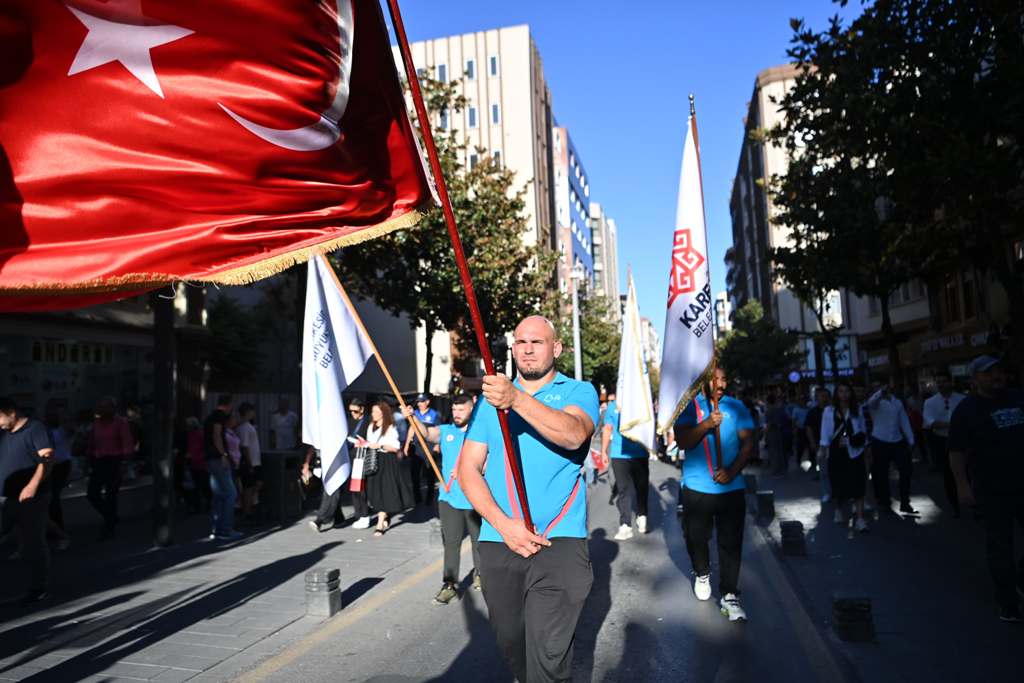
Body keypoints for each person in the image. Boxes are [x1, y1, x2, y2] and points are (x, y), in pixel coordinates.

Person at [458, 315, 599, 683]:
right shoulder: (490, 403)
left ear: (557, 348)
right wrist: (504, 525)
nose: (528, 349)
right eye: (521, 342)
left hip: (560, 541)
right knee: (512, 644)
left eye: (537, 342)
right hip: (499, 540)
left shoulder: (578, 391)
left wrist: (516, 399)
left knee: (549, 655)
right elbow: (468, 469)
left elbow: (572, 435)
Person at [674, 367, 755, 622]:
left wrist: (732, 471)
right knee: (696, 537)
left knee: (731, 542)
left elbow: (748, 442)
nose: (720, 383)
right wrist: (707, 424)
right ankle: (702, 572)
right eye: (715, 378)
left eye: (724, 378)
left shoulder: (736, 407)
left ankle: (730, 593)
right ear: (704, 381)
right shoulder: (690, 407)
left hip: (731, 487)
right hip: (698, 488)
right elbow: (683, 440)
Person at [948, 355, 1024, 623]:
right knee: (1000, 547)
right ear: (975, 378)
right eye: (989, 373)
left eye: (999, 371)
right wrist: (962, 486)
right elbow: (956, 452)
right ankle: (1008, 603)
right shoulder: (966, 410)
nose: (997, 376)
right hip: (992, 489)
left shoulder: (1017, 398)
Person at [404, 394, 482, 604]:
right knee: (451, 543)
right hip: (449, 498)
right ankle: (449, 584)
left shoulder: (480, 434)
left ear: (471, 409)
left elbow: (491, 461)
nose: (456, 414)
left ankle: (481, 574)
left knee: (478, 541)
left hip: (476, 498)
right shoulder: (447, 431)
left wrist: (472, 470)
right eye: (454, 410)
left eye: (461, 410)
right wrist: (413, 418)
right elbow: (427, 433)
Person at [0, 396, 54, 603]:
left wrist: (32, 485)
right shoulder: (3, 434)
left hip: (32, 498)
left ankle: (38, 587)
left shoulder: (35, 429)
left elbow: (47, 459)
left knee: (34, 542)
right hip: (5, 497)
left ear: (11, 412)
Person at [306, 397, 369, 532]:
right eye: (350, 411)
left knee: (357, 490)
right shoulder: (346, 421)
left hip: (359, 460)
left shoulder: (368, 423)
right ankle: (323, 519)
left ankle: (361, 515)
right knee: (334, 486)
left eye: (355, 411)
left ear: (362, 409)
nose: (353, 414)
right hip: (344, 458)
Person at [821, 383, 870, 532]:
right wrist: (823, 450)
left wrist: (865, 447)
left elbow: (862, 430)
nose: (844, 394)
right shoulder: (828, 411)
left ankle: (860, 519)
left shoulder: (857, 409)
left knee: (858, 483)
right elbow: (825, 432)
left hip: (855, 451)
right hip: (836, 452)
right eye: (841, 391)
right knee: (837, 482)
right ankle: (838, 509)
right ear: (836, 394)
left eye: (847, 391)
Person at [602, 395, 651, 540]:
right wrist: (604, 451)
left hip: (640, 453)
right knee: (623, 489)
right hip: (619, 454)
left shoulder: (641, 403)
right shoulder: (612, 407)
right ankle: (625, 525)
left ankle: (642, 516)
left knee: (641, 488)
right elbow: (608, 428)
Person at [363, 400, 413, 536]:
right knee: (375, 490)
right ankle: (386, 514)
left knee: (385, 490)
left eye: (376, 412)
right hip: (373, 459)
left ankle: (380, 524)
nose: (373, 414)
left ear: (383, 414)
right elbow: (370, 442)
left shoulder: (390, 428)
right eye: (372, 411)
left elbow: (395, 447)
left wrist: (380, 446)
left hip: (387, 460)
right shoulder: (370, 426)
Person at [866, 381, 916, 514]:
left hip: (897, 440)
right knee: (881, 474)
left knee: (906, 471)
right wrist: (880, 393)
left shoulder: (897, 402)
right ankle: (885, 501)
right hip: (879, 441)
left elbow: (904, 420)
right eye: (878, 387)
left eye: (884, 386)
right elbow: (871, 401)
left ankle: (905, 502)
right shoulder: (874, 403)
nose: (883, 389)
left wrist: (911, 439)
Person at [87, 397, 133, 540]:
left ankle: (109, 527)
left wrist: (125, 463)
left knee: (111, 494)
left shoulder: (120, 422)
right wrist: (89, 458)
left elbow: (127, 442)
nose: (103, 410)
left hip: (115, 461)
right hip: (99, 461)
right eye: (101, 407)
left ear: (113, 409)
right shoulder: (96, 423)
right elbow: (92, 442)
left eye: (107, 407)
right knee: (92, 493)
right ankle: (111, 517)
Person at [923, 369, 966, 516]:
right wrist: (952, 424)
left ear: (950, 381)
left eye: (944, 381)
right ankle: (955, 505)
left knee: (967, 470)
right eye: (939, 382)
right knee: (948, 474)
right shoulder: (930, 402)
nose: (941, 384)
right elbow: (930, 423)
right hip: (941, 441)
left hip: (961, 440)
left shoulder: (961, 399)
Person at [204, 395, 242, 540]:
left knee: (219, 494)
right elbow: (217, 436)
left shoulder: (210, 417)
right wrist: (224, 454)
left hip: (210, 458)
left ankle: (217, 529)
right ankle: (225, 529)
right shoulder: (219, 417)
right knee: (230, 493)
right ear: (229, 405)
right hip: (218, 458)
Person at [405, 393, 440, 506]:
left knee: (430, 473)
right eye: (418, 402)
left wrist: (437, 446)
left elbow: (439, 430)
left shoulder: (435, 414)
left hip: (429, 447)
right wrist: (406, 444)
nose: (420, 404)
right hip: (416, 447)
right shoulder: (415, 414)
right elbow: (411, 429)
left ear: (427, 402)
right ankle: (417, 498)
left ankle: (429, 498)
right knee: (414, 474)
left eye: (422, 401)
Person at [45, 412, 73, 550]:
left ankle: (59, 532)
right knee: (50, 499)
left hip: (62, 465)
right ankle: (54, 530)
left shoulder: (63, 429)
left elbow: (71, 432)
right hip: (50, 466)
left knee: (54, 498)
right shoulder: (46, 430)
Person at [236, 402, 262, 520]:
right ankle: (247, 511)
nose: (254, 413)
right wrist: (249, 463)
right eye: (252, 411)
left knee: (254, 485)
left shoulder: (246, 426)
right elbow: (245, 446)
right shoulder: (245, 427)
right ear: (247, 412)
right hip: (250, 461)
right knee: (248, 487)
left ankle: (248, 507)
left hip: (254, 460)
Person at [805, 387, 832, 502]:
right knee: (823, 470)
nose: (824, 398)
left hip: (833, 444)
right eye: (821, 396)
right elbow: (808, 427)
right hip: (820, 444)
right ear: (817, 398)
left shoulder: (833, 410)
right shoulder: (812, 412)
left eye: (826, 396)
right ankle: (826, 492)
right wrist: (812, 442)